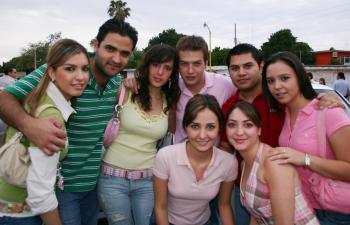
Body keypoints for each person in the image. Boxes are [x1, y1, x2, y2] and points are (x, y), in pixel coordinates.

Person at [0, 19, 138, 225]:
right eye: (110, 48)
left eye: (125, 53)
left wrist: (132, 82)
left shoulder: (117, 83)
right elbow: (4, 97)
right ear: (96, 45)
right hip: (61, 189)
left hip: (92, 185)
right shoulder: (66, 69)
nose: (116, 59)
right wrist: (29, 126)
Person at [220, 43, 344, 225]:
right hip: (249, 186)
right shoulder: (230, 106)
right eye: (235, 68)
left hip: (321, 203)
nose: (241, 73)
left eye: (247, 66)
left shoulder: (281, 100)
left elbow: (305, 100)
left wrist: (329, 97)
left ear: (260, 66)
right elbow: (225, 148)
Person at [0, 39, 90, 225]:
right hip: (21, 215)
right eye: (70, 69)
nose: (81, 77)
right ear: (52, 72)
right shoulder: (51, 114)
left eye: (84, 69)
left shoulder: (39, 98)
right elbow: (41, 196)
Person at [262, 51, 350, 224]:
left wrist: (305, 159)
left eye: (285, 78)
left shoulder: (329, 111)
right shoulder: (284, 113)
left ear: (300, 77)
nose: (277, 86)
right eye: (271, 81)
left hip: (337, 213)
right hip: (304, 208)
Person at [98, 44, 180, 225]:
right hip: (112, 178)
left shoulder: (170, 102)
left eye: (167, 68)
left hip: (148, 181)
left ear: (172, 74)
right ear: (147, 66)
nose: (160, 72)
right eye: (156, 65)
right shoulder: (124, 91)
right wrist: (124, 82)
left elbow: (172, 137)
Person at [225, 101, 319, 225]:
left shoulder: (273, 162)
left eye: (248, 125)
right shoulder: (244, 164)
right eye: (232, 125)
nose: (239, 132)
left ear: (259, 130)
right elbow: (256, 215)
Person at [153, 94, 237, 225]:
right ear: (185, 127)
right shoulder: (165, 156)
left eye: (210, 127)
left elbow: (224, 206)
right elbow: (160, 207)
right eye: (195, 126)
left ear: (219, 128)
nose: (202, 135)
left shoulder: (228, 163)